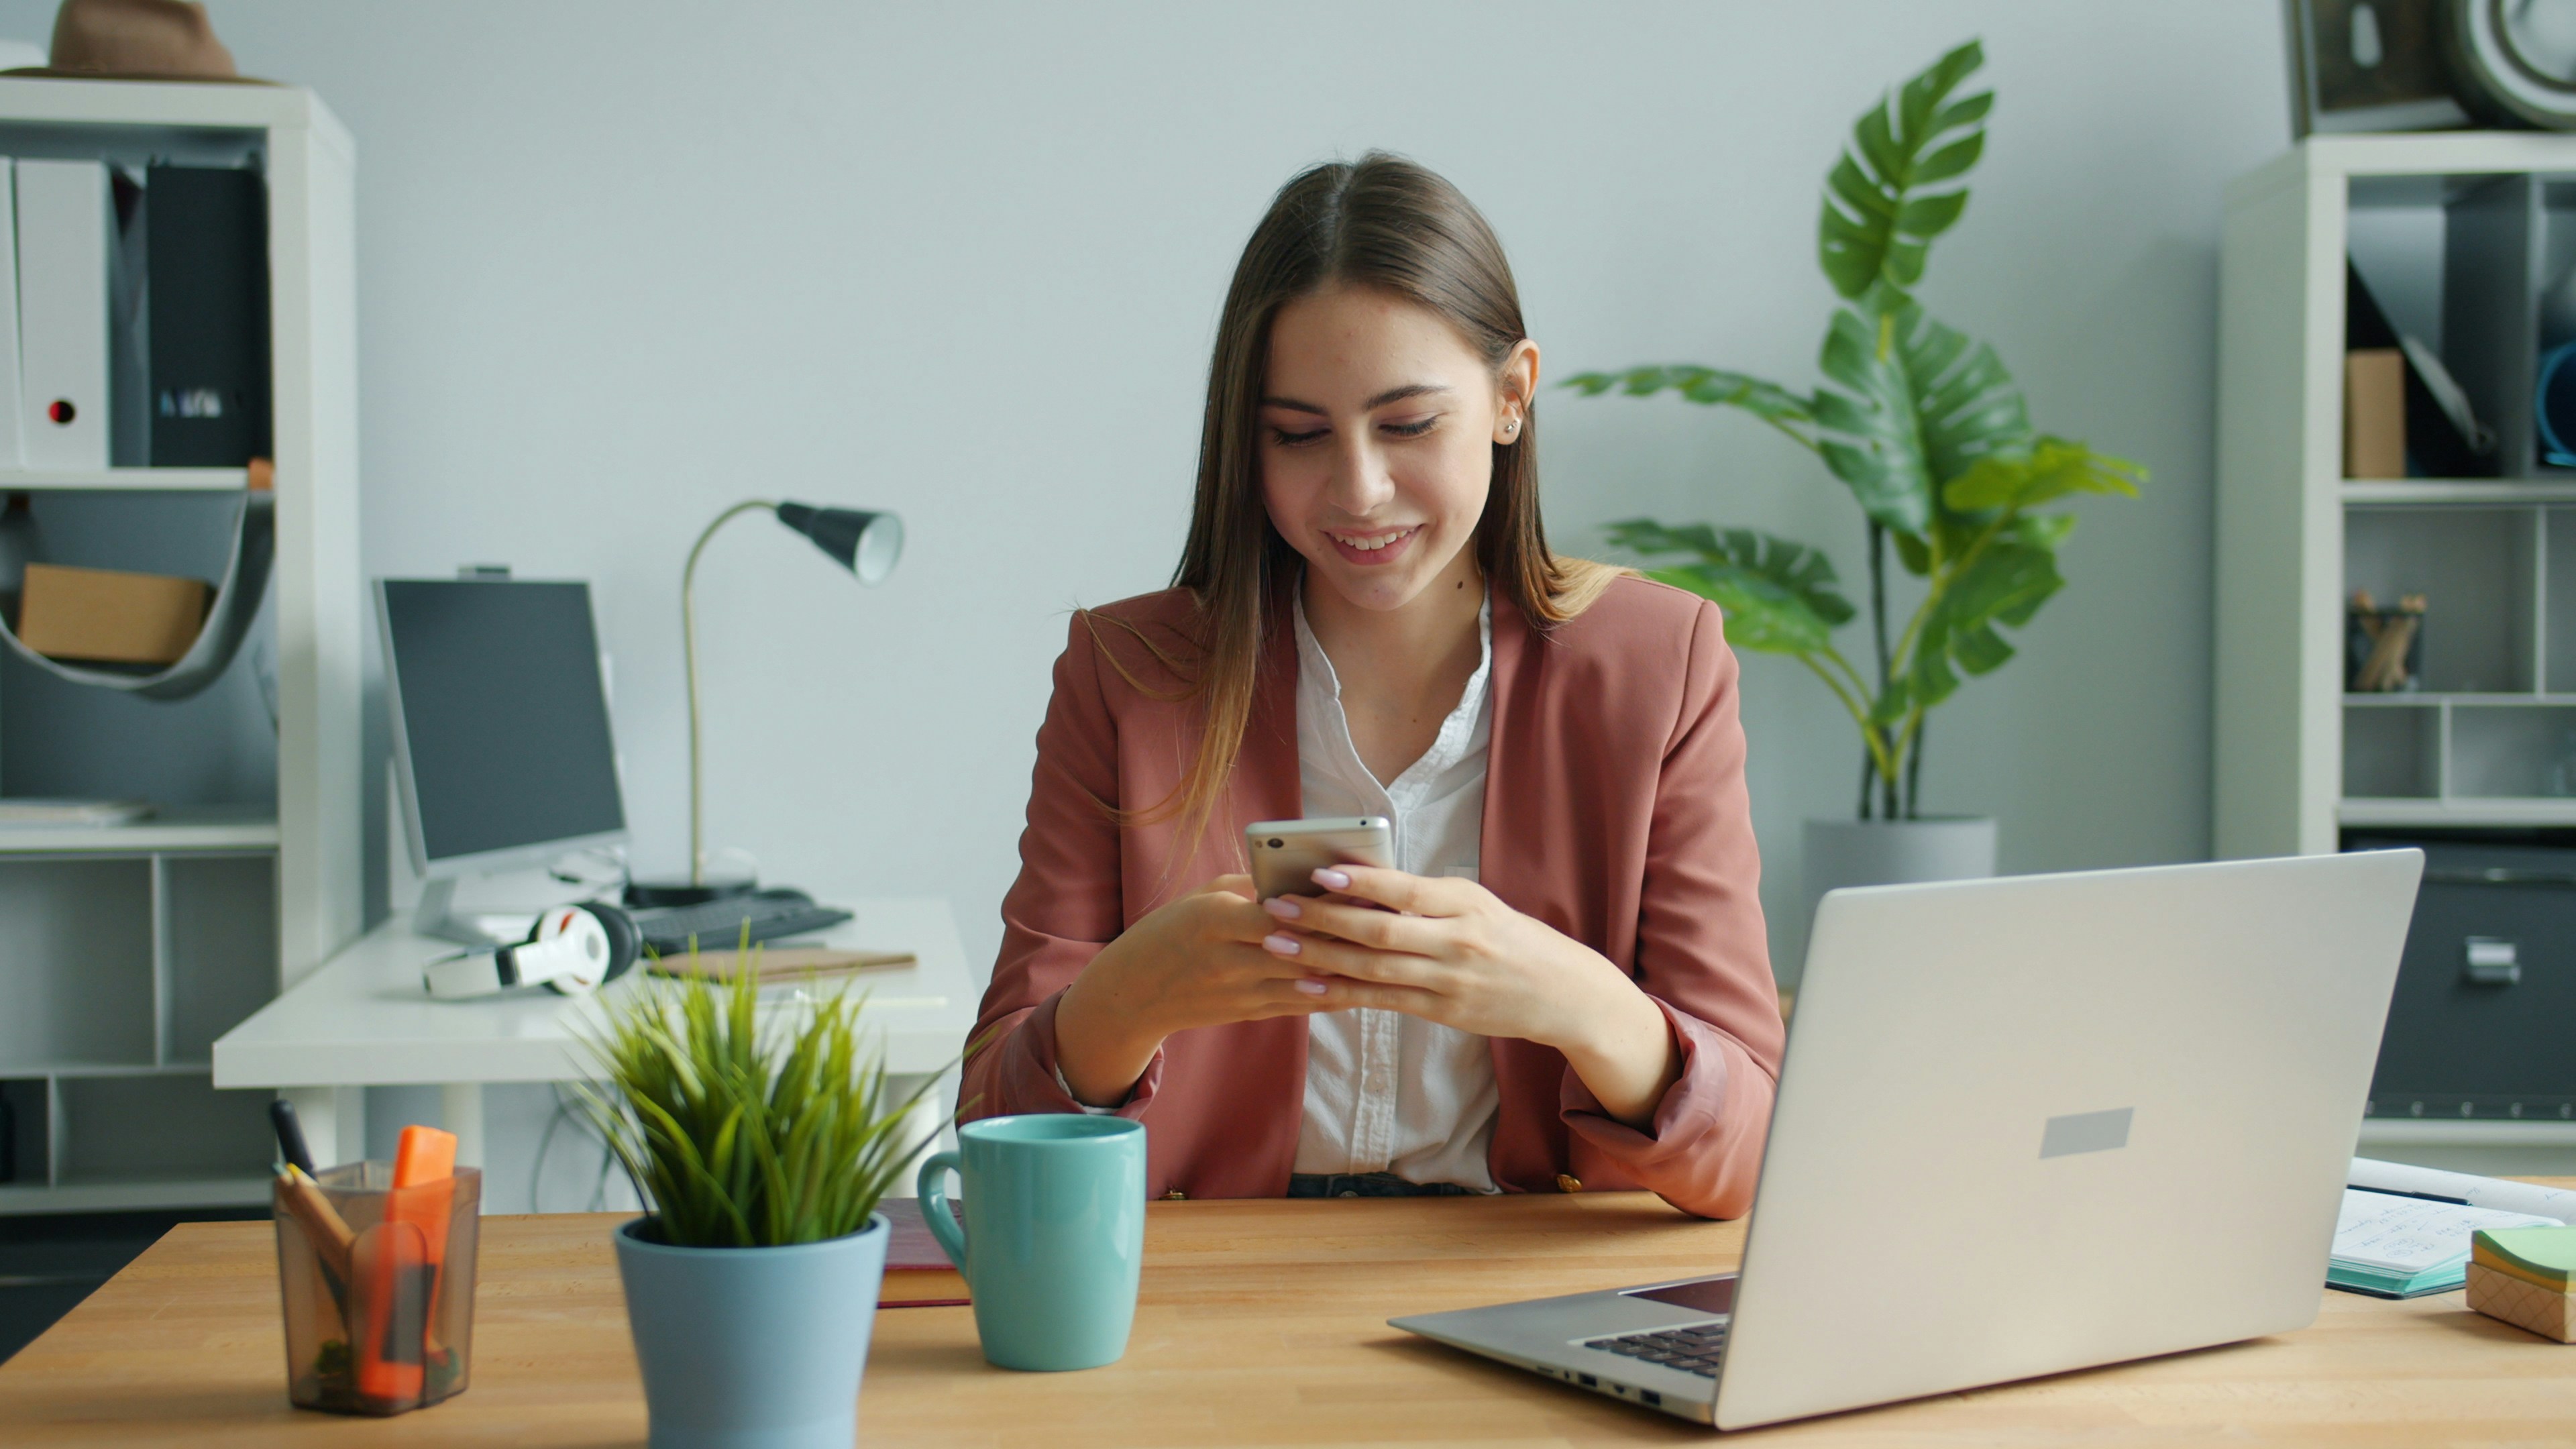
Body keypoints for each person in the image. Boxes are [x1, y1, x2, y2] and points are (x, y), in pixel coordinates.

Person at [961, 152, 1783, 1218]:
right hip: (1216, 1289)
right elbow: (990, 1137)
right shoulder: (1127, 678)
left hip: (1522, 1284)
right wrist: (1129, 998)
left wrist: (1574, 999)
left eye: (1407, 425)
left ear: (1511, 397)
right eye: (1297, 435)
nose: (1357, 489)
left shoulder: (1659, 665)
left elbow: (1753, 1147)